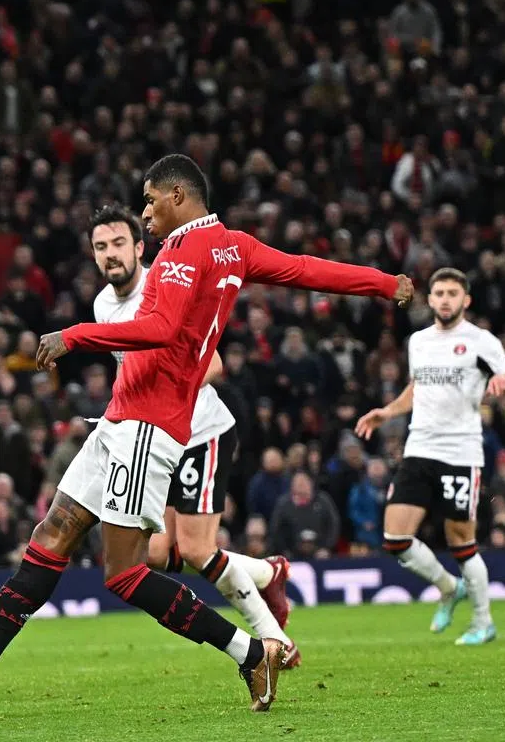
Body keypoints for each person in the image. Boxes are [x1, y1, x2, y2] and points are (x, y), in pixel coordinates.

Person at [0, 154, 411, 713]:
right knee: (53, 533)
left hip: (148, 425)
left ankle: (249, 652)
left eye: (149, 200)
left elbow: (161, 329)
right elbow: (308, 269)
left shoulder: (179, 252)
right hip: (119, 420)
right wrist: (385, 284)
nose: (145, 213)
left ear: (177, 196)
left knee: (125, 574)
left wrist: (76, 335)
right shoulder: (235, 246)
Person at [88, 203, 299, 667]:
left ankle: (273, 640)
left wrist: (169, 392)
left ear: (140, 247)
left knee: (199, 548)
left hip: (201, 432)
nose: (110, 254)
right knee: (159, 552)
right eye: (101, 247)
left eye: (119, 243)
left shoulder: (166, 284)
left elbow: (216, 363)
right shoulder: (103, 305)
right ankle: (268, 571)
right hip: (153, 439)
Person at [354, 267, 505, 645]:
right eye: (440, 293)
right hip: (419, 447)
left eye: (453, 293)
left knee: (461, 542)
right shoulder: (418, 341)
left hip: (460, 451)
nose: (446, 299)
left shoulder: (481, 341)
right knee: (395, 537)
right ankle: (449, 587)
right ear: (429, 299)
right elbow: (418, 388)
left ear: (466, 300)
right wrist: (388, 411)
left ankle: (483, 622)